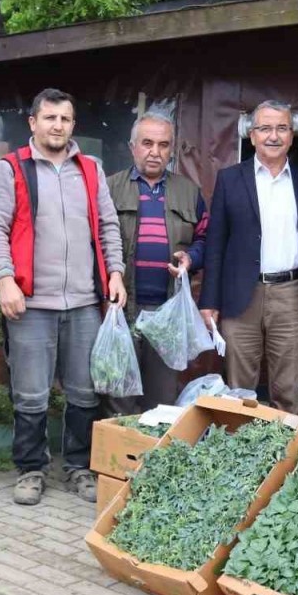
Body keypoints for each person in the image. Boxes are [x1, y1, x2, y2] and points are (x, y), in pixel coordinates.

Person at [0, 88, 127, 506]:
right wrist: (5, 280)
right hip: (31, 303)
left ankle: (79, 467)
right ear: (33, 122)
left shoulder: (91, 170)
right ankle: (31, 469)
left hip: (84, 303)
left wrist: (115, 273)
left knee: (84, 392)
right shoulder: (11, 169)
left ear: (72, 124)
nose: (57, 125)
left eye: (64, 119)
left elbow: (108, 226)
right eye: (49, 118)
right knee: (30, 394)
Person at [200, 100, 298, 413]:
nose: (273, 136)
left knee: (286, 389)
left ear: (291, 135)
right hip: (240, 295)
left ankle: (284, 444)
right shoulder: (230, 179)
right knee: (239, 389)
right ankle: (239, 443)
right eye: (265, 128)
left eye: (281, 128)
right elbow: (216, 242)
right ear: (252, 135)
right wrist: (209, 301)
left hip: (292, 294)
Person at [106, 111, 209, 411]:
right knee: (118, 395)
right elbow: (93, 242)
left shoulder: (189, 192)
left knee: (161, 400)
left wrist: (191, 258)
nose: (155, 152)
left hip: (167, 312)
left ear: (171, 149)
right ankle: (119, 443)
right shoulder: (109, 188)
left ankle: (151, 442)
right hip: (120, 309)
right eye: (147, 143)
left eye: (163, 145)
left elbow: (205, 239)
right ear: (132, 147)